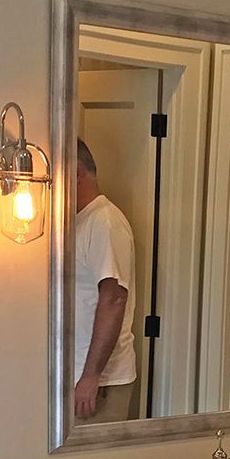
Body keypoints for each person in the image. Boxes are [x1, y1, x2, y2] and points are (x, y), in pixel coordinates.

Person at [73, 138, 138, 422]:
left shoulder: (105, 222)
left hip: (101, 384)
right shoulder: (80, 221)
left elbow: (113, 299)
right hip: (80, 376)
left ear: (75, 174)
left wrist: (91, 377)